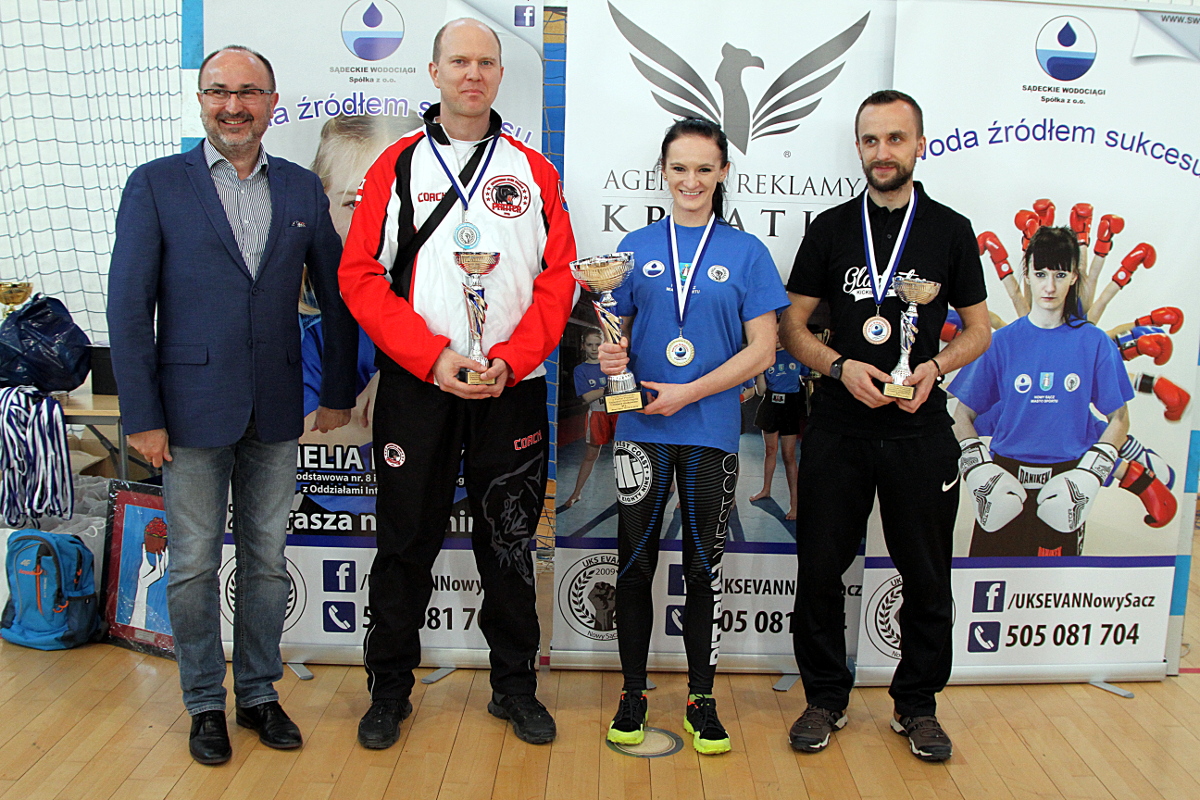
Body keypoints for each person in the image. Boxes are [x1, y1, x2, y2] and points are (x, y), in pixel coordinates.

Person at [107, 46, 358, 765]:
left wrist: (337, 391)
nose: (234, 106)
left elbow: (336, 295)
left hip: (277, 408)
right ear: (201, 99)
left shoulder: (302, 189)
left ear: (272, 103)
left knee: (267, 562)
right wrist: (142, 416)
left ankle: (256, 693)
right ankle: (201, 704)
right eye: (220, 91)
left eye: (249, 92)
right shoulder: (155, 184)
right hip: (187, 413)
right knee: (190, 565)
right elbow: (128, 308)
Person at [339, 18, 577, 749]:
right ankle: (389, 691)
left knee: (509, 541)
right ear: (435, 72)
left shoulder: (534, 171)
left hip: (511, 385)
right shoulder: (395, 165)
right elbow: (359, 275)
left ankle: (514, 689)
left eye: (486, 62)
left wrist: (512, 357)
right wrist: (432, 356)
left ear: (500, 74)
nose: (473, 74)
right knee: (405, 540)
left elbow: (559, 278)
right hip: (420, 386)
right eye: (460, 62)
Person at [780, 90, 991, 762]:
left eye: (896, 138)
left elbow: (980, 330)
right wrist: (839, 366)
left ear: (919, 144)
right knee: (819, 570)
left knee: (926, 576)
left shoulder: (950, 229)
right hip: (838, 427)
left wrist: (934, 366)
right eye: (871, 140)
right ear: (858, 147)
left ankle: (917, 706)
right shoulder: (831, 228)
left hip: (918, 429)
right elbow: (791, 326)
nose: (882, 152)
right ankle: (824, 697)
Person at [598, 118, 788, 755]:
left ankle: (701, 699)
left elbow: (763, 350)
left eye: (705, 168)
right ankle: (632, 693)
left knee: (704, 568)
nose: (691, 180)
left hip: (710, 430)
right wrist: (611, 355)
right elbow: (617, 335)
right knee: (634, 564)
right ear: (663, 172)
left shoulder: (746, 252)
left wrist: (689, 392)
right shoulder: (634, 246)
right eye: (680, 168)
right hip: (641, 428)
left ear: (723, 173)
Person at [950, 226, 1134, 556]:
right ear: (1028, 274)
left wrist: (1092, 472)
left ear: (1074, 276)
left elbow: (1119, 417)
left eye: (1060, 275)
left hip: (1068, 481)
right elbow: (962, 413)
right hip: (1003, 480)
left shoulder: (1094, 342)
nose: (1049, 286)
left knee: (1055, 586)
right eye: (1041, 274)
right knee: (988, 584)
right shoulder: (1001, 342)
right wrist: (977, 467)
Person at [748, 332, 808, 520]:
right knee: (770, 450)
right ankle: (766, 489)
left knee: (789, 455)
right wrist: (759, 371)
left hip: (789, 406)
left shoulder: (795, 354)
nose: (774, 338)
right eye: (771, 334)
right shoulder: (766, 357)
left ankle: (795, 504)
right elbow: (761, 391)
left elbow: (807, 374)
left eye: (777, 334)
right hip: (770, 405)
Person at [559, 330, 615, 511]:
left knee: (624, 455)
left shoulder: (612, 365)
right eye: (590, 345)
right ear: (583, 346)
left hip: (618, 413)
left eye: (597, 344)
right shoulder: (580, 370)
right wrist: (609, 387)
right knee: (591, 456)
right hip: (597, 414)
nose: (594, 348)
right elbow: (587, 397)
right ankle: (576, 492)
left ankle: (629, 493)